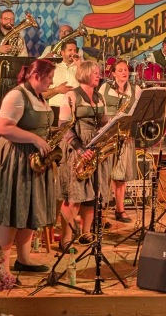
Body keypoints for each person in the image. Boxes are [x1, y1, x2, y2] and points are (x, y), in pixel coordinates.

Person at [0, 58, 61, 273]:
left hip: (33, 159)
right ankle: (0, 269)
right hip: (17, 158)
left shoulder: (38, 96)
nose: (52, 82)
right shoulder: (17, 96)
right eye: (49, 78)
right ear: (37, 76)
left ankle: (24, 258)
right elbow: (3, 128)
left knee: (29, 208)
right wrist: (35, 139)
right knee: (12, 211)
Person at [59, 60, 112, 245]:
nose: (99, 75)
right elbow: (63, 126)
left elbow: (105, 122)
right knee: (73, 196)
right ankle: (66, 237)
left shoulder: (100, 97)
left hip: (96, 148)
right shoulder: (71, 96)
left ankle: (86, 232)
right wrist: (80, 148)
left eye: (98, 72)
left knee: (92, 195)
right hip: (76, 148)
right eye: (95, 72)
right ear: (85, 74)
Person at [101, 59, 141, 223]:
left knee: (120, 175)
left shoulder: (136, 89)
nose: (124, 72)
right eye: (120, 70)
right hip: (108, 135)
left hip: (125, 135)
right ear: (113, 74)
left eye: (126, 69)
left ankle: (120, 209)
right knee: (104, 174)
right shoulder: (105, 88)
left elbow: (139, 112)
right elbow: (100, 109)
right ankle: (101, 212)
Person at [45, 40, 80, 112]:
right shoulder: (53, 69)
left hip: (76, 109)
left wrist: (79, 65)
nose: (73, 53)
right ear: (62, 53)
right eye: (70, 50)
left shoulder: (81, 68)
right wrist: (57, 90)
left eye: (75, 50)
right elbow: (42, 94)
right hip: (55, 108)